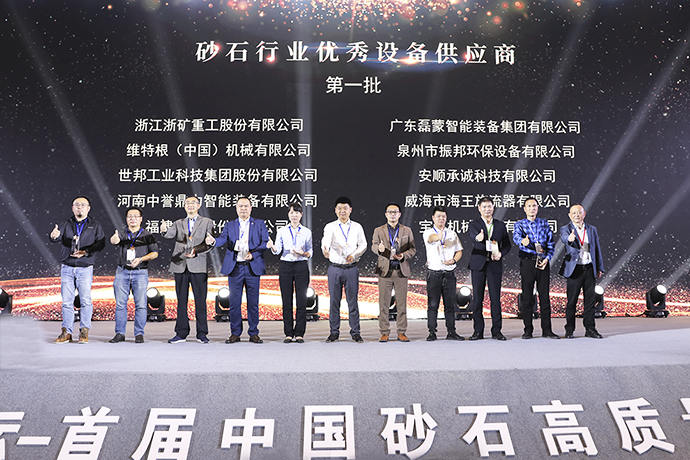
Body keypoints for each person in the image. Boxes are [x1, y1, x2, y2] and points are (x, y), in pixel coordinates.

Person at [209, 197, 269, 344]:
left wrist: (253, 254)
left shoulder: (259, 224)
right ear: (236, 208)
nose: (243, 209)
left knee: (253, 303)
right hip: (235, 267)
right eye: (240, 206)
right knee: (234, 303)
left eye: (246, 206)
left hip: (252, 267)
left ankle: (253, 333)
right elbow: (223, 239)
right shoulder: (230, 225)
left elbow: (265, 242)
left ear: (251, 208)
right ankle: (235, 333)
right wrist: (214, 241)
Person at [49, 195, 105, 344]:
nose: (80, 207)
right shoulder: (65, 224)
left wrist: (86, 252)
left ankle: (84, 330)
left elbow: (101, 243)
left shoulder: (95, 225)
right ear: (73, 208)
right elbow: (57, 237)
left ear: (88, 208)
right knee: (67, 302)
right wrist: (54, 236)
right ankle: (66, 332)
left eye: (83, 205)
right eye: (77, 205)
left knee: (85, 300)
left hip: (85, 267)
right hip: (67, 267)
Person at [162, 196, 215, 344]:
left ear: (199, 205)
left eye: (193, 203)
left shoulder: (207, 222)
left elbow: (209, 242)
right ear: (184, 206)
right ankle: (181, 333)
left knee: (200, 301)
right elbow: (169, 235)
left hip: (198, 265)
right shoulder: (178, 223)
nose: (190, 205)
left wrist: (196, 251)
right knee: (181, 301)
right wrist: (163, 230)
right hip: (180, 265)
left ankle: (202, 333)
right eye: (187, 203)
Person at [108, 207, 159, 344]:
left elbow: (155, 253)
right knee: (120, 305)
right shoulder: (121, 233)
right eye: (130, 216)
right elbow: (114, 241)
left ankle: (139, 333)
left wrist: (141, 259)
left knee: (141, 305)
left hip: (140, 272)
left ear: (141, 219)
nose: (133, 219)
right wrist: (114, 239)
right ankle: (120, 333)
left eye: (136, 216)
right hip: (122, 272)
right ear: (126, 219)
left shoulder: (147, 235)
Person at [321, 196, 367, 343]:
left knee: (352, 302)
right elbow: (325, 241)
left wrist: (355, 255)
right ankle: (334, 332)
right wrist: (325, 249)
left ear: (350, 210)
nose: (342, 211)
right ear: (335, 210)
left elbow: (363, 244)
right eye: (339, 208)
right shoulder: (330, 226)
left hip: (351, 268)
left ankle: (355, 332)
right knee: (334, 302)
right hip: (335, 268)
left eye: (345, 208)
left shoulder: (357, 227)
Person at [512, 197, 559, 339]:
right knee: (527, 297)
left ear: (537, 208)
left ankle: (547, 330)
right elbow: (516, 238)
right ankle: (528, 330)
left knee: (544, 297)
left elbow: (550, 244)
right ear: (524, 209)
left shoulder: (544, 223)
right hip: (527, 262)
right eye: (529, 206)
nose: (532, 208)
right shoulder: (520, 224)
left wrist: (547, 258)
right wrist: (523, 241)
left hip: (543, 262)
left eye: (534, 206)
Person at [267, 202, 313, 343]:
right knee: (286, 300)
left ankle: (299, 333)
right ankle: (288, 333)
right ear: (288, 214)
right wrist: (272, 247)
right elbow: (277, 250)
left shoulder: (306, 231)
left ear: (301, 215)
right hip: (285, 266)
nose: (294, 215)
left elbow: (310, 251)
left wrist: (303, 253)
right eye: (292, 212)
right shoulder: (282, 231)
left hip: (301, 266)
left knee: (301, 300)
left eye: (297, 212)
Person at [467, 197, 512, 341]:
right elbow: (473, 238)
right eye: (484, 207)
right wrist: (478, 238)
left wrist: (500, 253)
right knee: (477, 299)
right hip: (478, 264)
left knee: (495, 299)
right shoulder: (474, 224)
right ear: (479, 208)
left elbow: (507, 245)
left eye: (489, 206)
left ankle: (497, 331)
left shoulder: (500, 225)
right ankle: (478, 331)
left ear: (493, 208)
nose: (487, 209)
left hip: (494, 265)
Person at [371, 203, 416, 342]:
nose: (392, 214)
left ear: (399, 214)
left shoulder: (407, 230)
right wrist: (380, 250)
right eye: (390, 212)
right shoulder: (378, 230)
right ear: (386, 214)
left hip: (401, 271)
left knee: (402, 305)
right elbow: (373, 246)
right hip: (385, 271)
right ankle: (384, 332)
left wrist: (403, 256)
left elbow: (412, 249)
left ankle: (401, 332)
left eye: (395, 212)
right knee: (383, 304)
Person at [559, 204, 605, 339]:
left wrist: (599, 267)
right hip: (575, 269)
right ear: (569, 215)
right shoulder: (566, 229)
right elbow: (564, 238)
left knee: (590, 302)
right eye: (573, 213)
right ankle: (569, 330)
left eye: (579, 212)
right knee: (571, 302)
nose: (577, 215)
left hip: (589, 268)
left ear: (584, 214)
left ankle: (590, 329)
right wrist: (569, 239)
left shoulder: (592, 229)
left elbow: (597, 248)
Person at [422, 206, 464, 341]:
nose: (441, 219)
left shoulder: (452, 233)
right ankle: (432, 332)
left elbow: (459, 251)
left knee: (450, 305)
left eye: (443, 216)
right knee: (433, 304)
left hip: (449, 273)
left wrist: (454, 260)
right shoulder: (428, 232)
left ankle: (451, 332)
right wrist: (438, 236)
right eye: (438, 216)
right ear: (433, 218)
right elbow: (431, 239)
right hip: (434, 273)